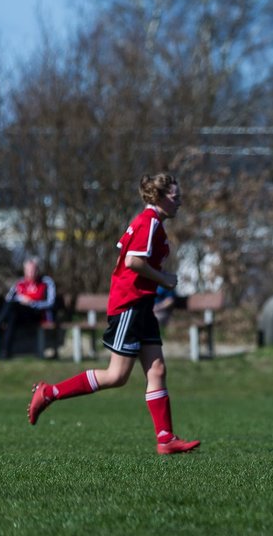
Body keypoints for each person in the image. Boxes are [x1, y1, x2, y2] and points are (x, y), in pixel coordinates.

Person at [26, 173, 200, 456]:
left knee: (157, 370)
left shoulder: (149, 223)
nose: (180, 202)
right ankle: (49, 393)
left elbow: (124, 254)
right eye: (175, 197)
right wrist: (163, 278)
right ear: (158, 197)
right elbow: (132, 261)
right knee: (116, 375)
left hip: (142, 306)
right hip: (130, 305)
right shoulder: (149, 222)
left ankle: (166, 438)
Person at [0, 257, 57, 360]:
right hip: (19, 314)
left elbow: (51, 303)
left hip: (36, 314)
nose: (31, 273)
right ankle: (5, 353)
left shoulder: (46, 282)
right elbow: (8, 299)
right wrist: (21, 299)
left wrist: (32, 303)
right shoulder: (20, 283)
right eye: (28, 270)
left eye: (33, 270)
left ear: (38, 270)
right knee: (12, 315)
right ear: (24, 271)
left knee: (12, 308)